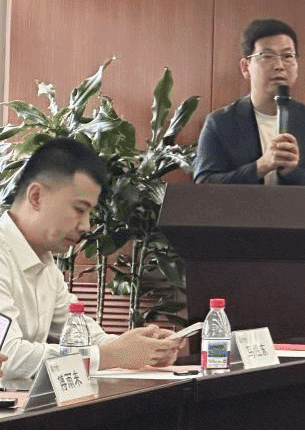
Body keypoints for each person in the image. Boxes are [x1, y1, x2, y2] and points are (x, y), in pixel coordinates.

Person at [0, 138, 181, 383]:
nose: (86, 226)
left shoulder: (45, 263)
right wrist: (112, 355)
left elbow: (85, 335)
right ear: (36, 197)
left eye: (90, 214)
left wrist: (143, 348)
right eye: (79, 209)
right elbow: (8, 357)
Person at [193, 18, 305, 186]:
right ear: (245, 67)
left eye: (287, 56)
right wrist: (260, 166)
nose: (279, 65)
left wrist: (292, 172)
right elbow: (204, 184)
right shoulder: (220, 123)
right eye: (267, 56)